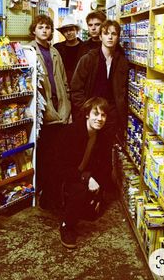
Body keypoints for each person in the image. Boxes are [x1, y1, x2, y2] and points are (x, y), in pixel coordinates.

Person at [70, 19, 129, 191]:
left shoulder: (121, 61)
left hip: (110, 115)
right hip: (90, 114)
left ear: (118, 37)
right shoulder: (88, 59)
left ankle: (101, 190)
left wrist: (118, 115)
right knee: (86, 150)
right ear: (101, 35)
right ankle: (83, 186)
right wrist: (86, 110)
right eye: (106, 33)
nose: (110, 37)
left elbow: (121, 91)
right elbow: (76, 88)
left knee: (104, 151)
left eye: (114, 34)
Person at [27, 14, 71, 208]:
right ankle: (42, 192)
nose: (45, 30)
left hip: (59, 107)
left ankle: (53, 194)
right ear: (34, 30)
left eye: (48, 27)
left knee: (58, 155)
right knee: (43, 154)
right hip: (42, 111)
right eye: (41, 27)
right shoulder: (29, 51)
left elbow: (63, 80)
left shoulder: (54, 52)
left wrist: (67, 104)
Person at [55, 97, 110, 249]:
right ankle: (67, 226)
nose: (99, 119)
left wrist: (100, 190)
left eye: (103, 115)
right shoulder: (70, 132)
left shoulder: (103, 136)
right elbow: (60, 168)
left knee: (92, 215)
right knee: (79, 190)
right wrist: (86, 178)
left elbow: (105, 166)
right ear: (87, 114)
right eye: (96, 114)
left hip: (85, 174)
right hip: (65, 177)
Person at [53, 15, 87, 85]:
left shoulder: (86, 47)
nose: (68, 33)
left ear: (76, 30)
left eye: (71, 30)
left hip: (82, 85)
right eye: (65, 31)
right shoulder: (57, 48)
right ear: (62, 33)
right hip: (63, 84)